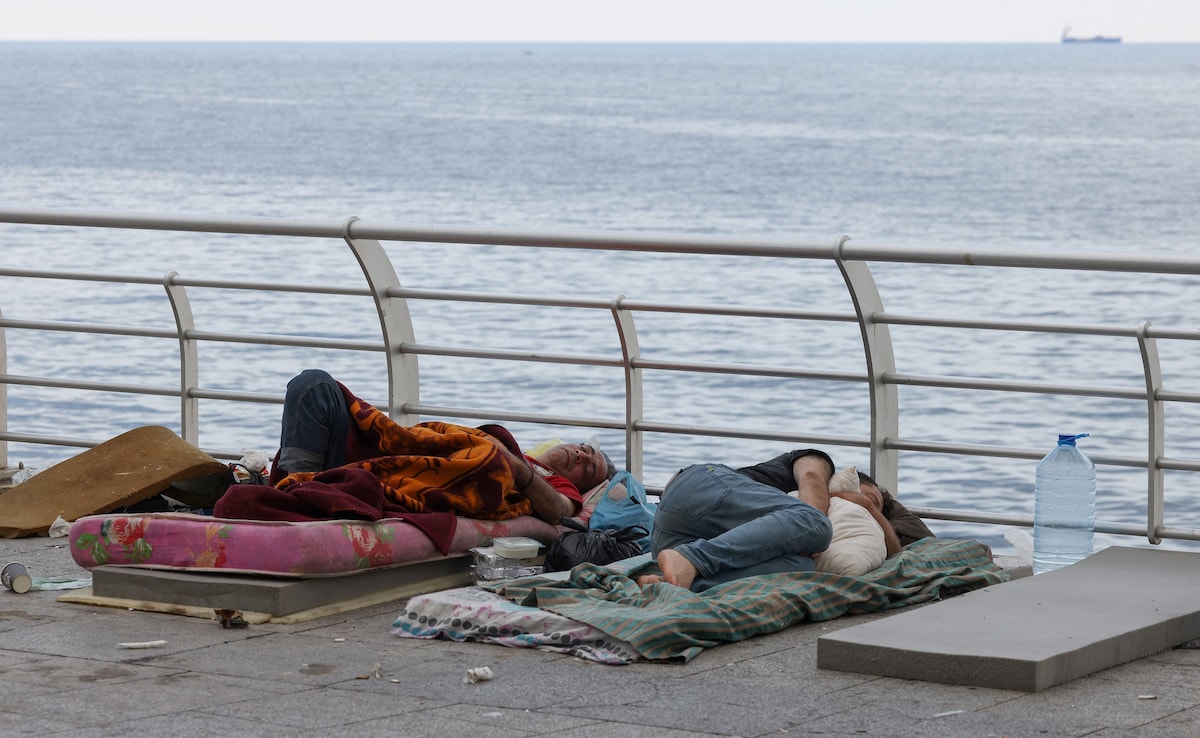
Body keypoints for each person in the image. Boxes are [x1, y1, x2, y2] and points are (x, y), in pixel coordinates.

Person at [272, 368, 615, 524]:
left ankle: (297, 498)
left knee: (491, 461)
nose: (581, 455)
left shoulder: (550, 482)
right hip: (389, 455)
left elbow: (558, 510)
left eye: (588, 467)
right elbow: (428, 441)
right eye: (584, 448)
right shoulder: (503, 443)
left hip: (408, 479)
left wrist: (516, 469)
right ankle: (299, 485)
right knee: (313, 384)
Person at [639, 449, 933, 592]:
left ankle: (672, 580)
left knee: (802, 568)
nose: (860, 504)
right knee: (816, 524)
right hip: (696, 489)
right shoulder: (814, 461)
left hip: (671, 540)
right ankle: (692, 559)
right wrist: (844, 499)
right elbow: (810, 480)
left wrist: (872, 508)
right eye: (864, 495)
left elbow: (898, 553)